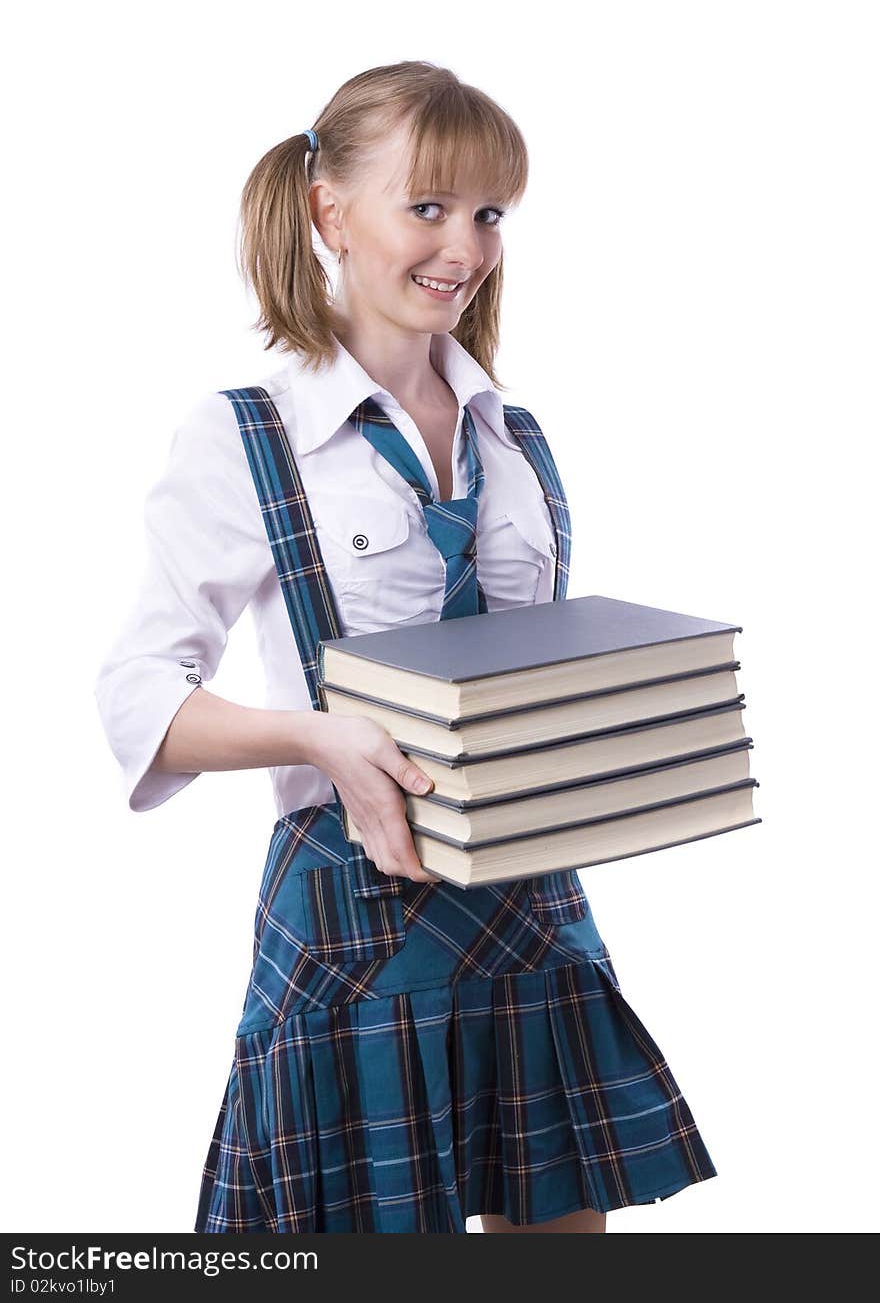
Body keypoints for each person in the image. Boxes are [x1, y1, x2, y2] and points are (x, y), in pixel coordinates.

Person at [93, 60, 718, 1234]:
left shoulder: (513, 431)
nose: (464, 246)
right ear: (330, 212)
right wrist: (316, 736)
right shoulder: (248, 433)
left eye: (487, 213)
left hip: (530, 900)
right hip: (350, 911)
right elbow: (137, 693)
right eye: (425, 207)